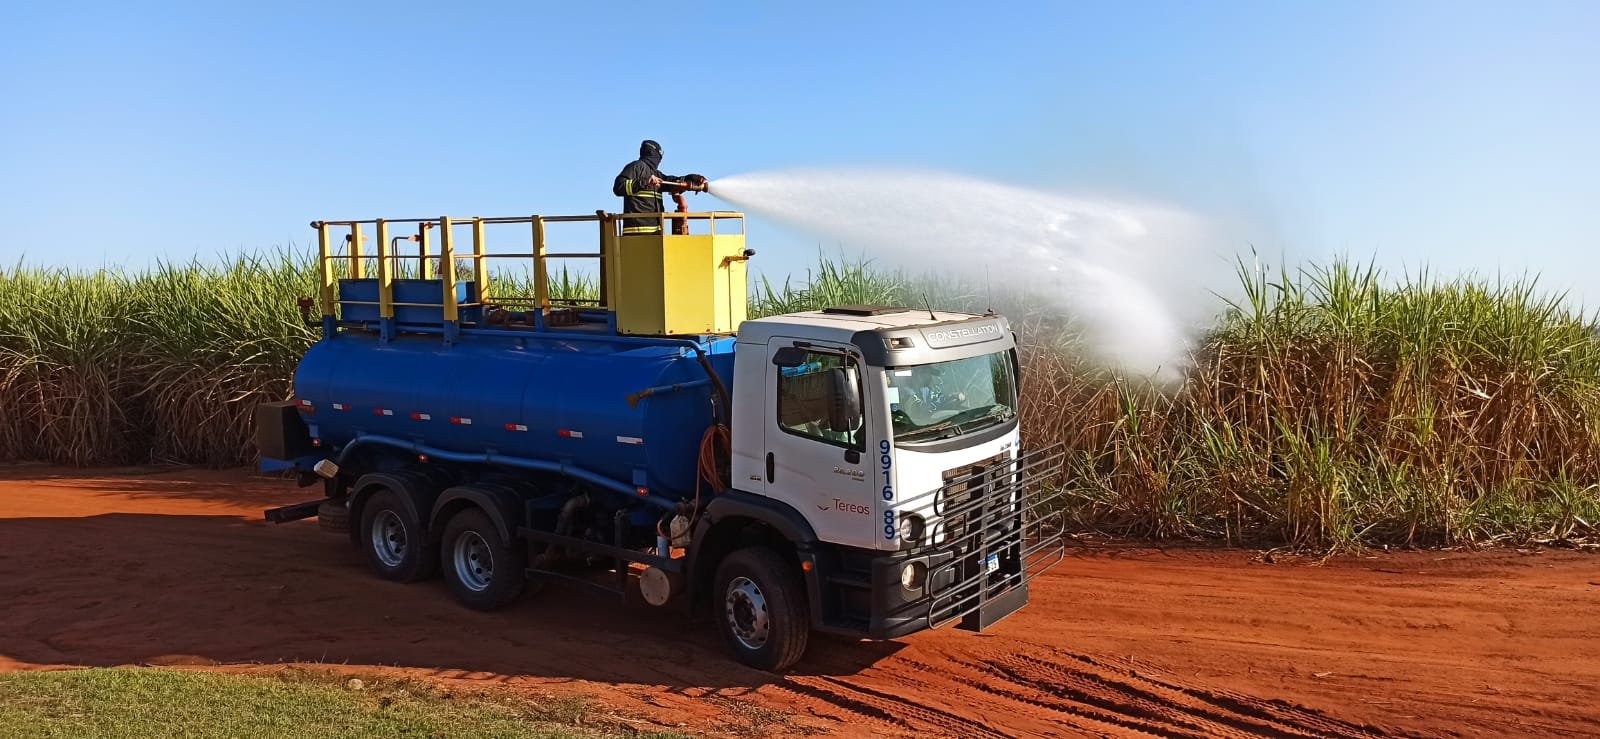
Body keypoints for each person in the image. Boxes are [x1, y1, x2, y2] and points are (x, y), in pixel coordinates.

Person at [612, 139, 706, 235]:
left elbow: (670, 181)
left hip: (655, 233)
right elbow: (618, 187)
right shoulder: (636, 167)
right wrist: (645, 182)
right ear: (653, 153)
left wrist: (689, 178)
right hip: (637, 233)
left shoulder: (656, 173)